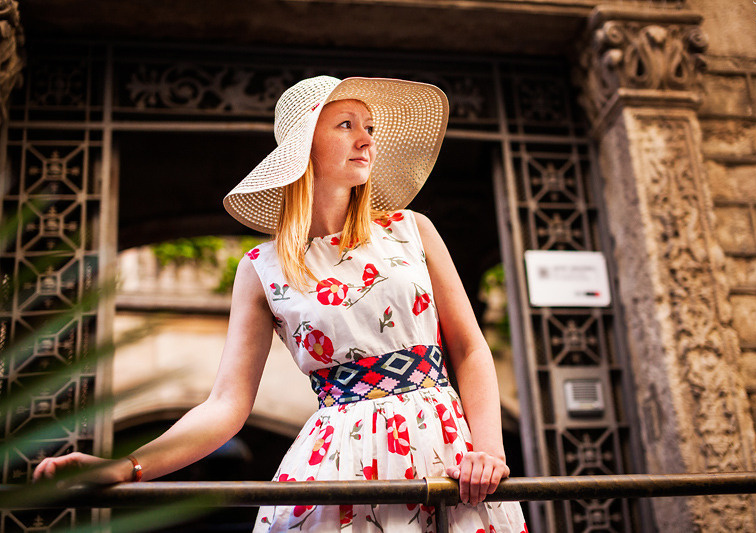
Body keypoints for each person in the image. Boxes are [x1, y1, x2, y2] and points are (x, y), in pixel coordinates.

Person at [34, 75, 528, 532]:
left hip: (449, 457)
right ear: (303, 148)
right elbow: (226, 405)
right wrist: (127, 466)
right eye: (346, 124)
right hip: (339, 466)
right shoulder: (260, 268)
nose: (367, 139)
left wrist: (487, 451)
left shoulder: (411, 230)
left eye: (370, 126)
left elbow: (468, 348)